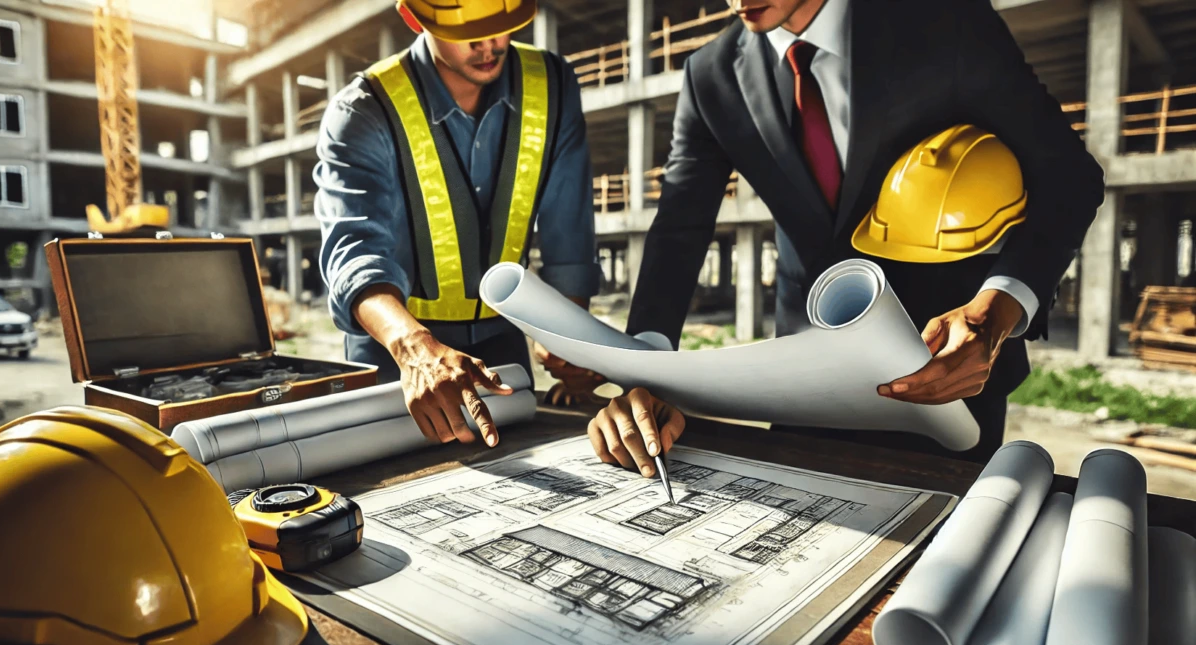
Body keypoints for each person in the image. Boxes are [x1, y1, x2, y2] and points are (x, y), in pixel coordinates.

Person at [588, 0, 1105, 477]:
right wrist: (645, 373)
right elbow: (679, 229)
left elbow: (1067, 177)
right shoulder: (711, 75)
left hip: (943, 374)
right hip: (803, 382)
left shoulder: (942, 17)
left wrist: (996, 312)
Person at [316, 0, 604, 449]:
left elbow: (569, 228)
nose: (490, 45)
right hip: (397, 355)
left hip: (503, 351)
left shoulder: (551, 83)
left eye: (501, 28)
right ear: (416, 18)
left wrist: (573, 341)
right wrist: (412, 347)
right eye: (469, 34)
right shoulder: (364, 109)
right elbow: (354, 251)